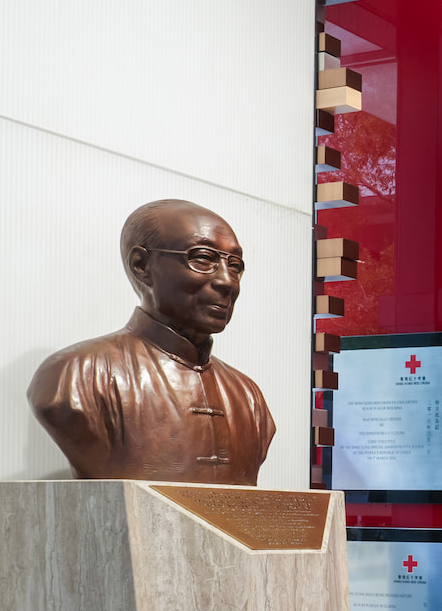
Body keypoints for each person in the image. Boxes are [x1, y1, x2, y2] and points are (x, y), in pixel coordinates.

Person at [28, 199, 275, 483]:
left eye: (234, 265)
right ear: (141, 265)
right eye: (204, 259)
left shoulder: (248, 396)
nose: (227, 281)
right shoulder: (76, 375)